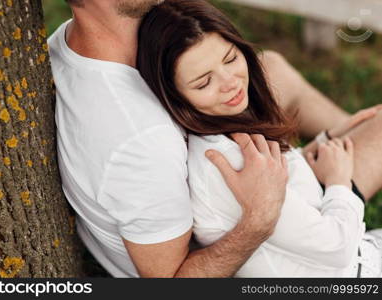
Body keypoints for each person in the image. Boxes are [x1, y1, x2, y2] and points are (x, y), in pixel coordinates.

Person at [136, 0, 382, 277]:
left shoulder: (226, 133)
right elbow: (338, 249)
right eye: (204, 82)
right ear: (174, 96)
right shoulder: (230, 162)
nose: (230, 81)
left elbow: (283, 183)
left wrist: (329, 137)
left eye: (230, 58)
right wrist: (340, 182)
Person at [48, 0, 288, 278]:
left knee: (274, 67)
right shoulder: (141, 139)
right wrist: (259, 221)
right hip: (266, 262)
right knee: (348, 151)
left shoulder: (72, 42)